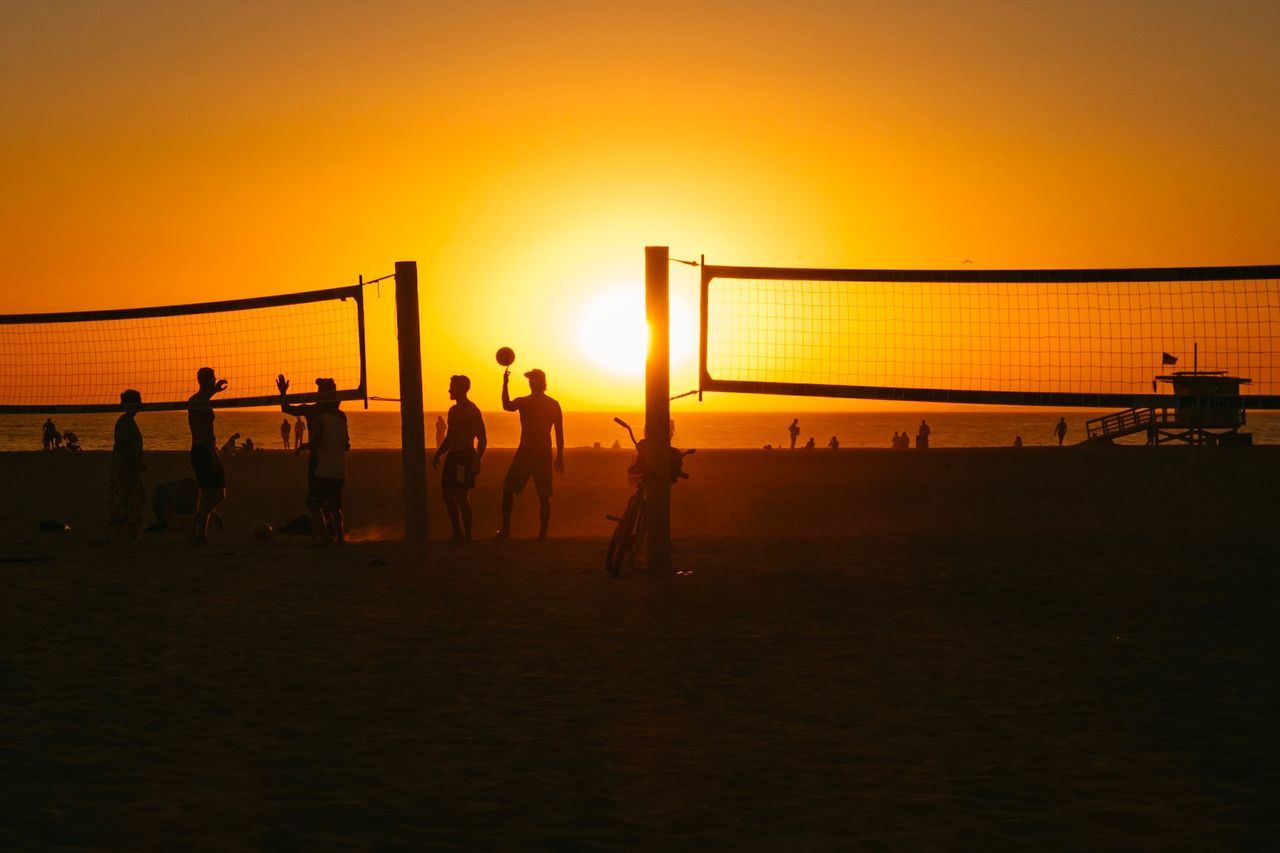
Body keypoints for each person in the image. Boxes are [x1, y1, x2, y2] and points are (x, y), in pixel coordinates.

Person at [278, 375, 349, 545]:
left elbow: (286, 408)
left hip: (319, 460)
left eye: (321, 390)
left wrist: (307, 446)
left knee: (315, 501)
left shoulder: (317, 412)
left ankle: (324, 535)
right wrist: (283, 392)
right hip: (336, 463)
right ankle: (333, 536)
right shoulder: (337, 414)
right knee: (331, 502)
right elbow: (346, 443)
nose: (318, 392)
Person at [498, 367, 564, 540]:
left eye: (533, 379)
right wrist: (505, 383)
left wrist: (561, 455)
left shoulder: (551, 404)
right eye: (530, 379)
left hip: (537, 452)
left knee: (543, 495)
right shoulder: (526, 402)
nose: (530, 382)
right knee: (509, 489)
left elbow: (559, 431)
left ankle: (542, 532)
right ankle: (506, 529)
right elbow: (507, 405)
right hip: (529, 451)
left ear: (541, 382)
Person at [432, 375, 487, 541]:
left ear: (462, 389)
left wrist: (477, 461)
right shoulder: (453, 410)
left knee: (461, 496)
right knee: (447, 495)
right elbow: (450, 437)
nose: (449, 390)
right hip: (453, 457)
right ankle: (457, 532)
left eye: (452, 387)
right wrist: (439, 453)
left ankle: (468, 536)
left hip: (464, 457)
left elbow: (482, 438)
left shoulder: (472, 410)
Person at [188, 367, 228, 544]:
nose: (215, 380)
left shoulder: (198, 399)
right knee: (219, 494)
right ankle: (191, 524)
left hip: (201, 450)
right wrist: (212, 453)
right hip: (204, 449)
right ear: (206, 380)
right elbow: (203, 432)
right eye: (213, 378)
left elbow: (204, 398)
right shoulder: (198, 401)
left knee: (205, 495)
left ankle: (201, 535)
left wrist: (215, 390)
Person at [109, 389, 147, 542]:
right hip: (126, 469)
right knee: (126, 501)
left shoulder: (128, 422)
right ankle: (124, 534)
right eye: (138, 400)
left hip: (129, 468)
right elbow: (123, 446)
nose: (141, 403)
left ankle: (129, 533)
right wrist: (137, 463)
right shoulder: (124, 422)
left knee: (134, 500)